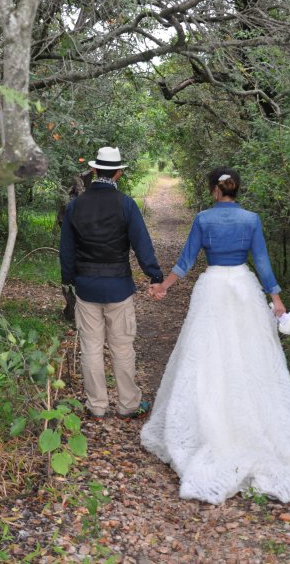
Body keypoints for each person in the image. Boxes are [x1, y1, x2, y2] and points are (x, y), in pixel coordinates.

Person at [141, 167, 290, 504]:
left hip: (212, 288)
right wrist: (277, 300)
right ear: (236, 190)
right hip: (242, 286)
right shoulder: (251, 220)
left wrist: (164, 286)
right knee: (250, 356)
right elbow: (263, 261)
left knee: (207, 354)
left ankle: (208, 425)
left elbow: (186, 260)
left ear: (214, 191)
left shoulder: (204, 220)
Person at [60, 146, 163, 420]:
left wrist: (68, 279)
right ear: (118, 173)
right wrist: (154, 275)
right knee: (121, 347)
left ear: (93, 170)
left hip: (86, 287)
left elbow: (67, 249)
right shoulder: (125, 204)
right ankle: (128, 404)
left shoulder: (75, 206)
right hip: (118, 287)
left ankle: (96, 406)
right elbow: (142, 244)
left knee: (91, 347)